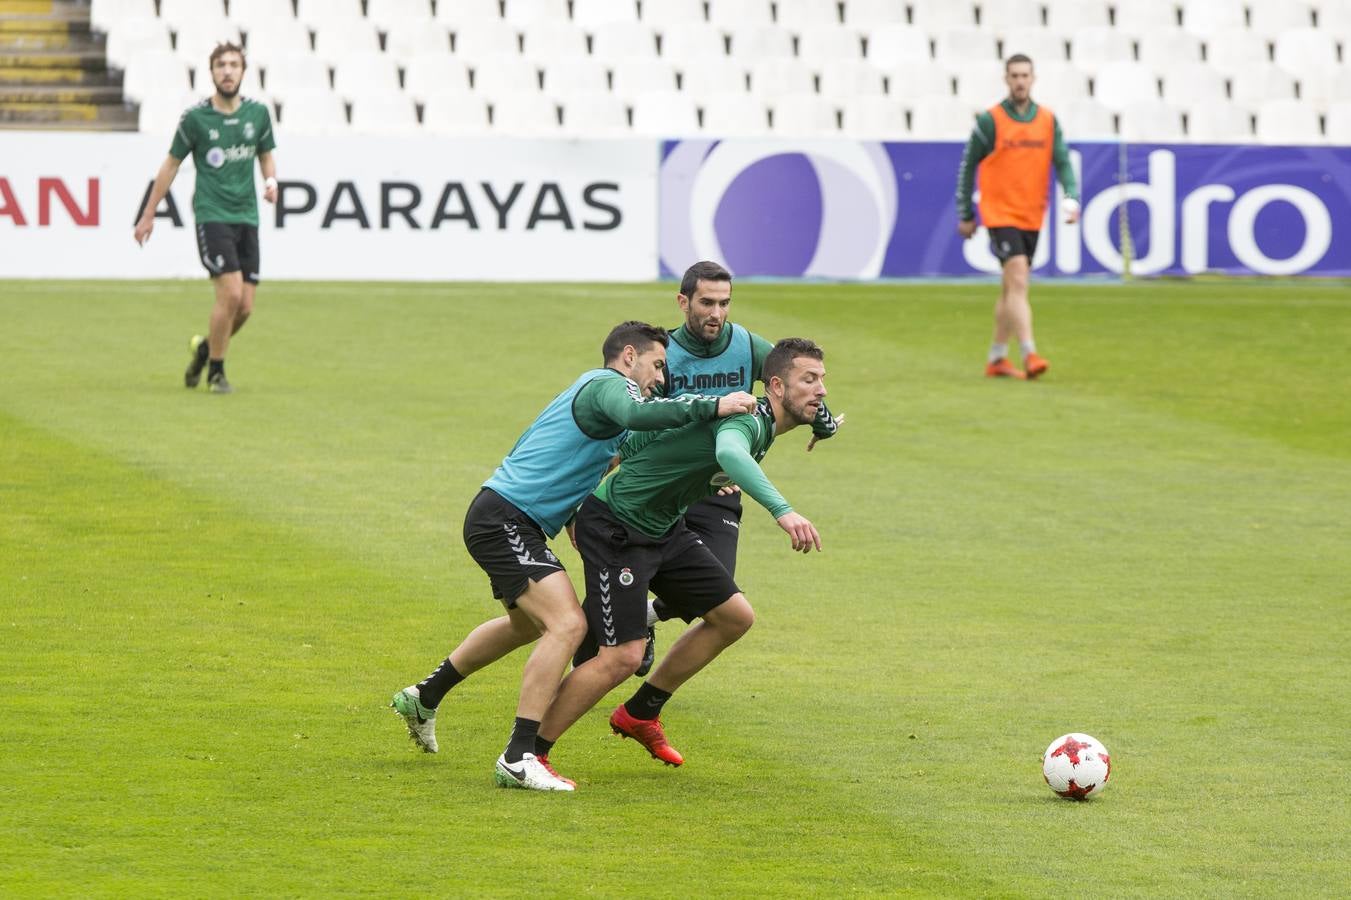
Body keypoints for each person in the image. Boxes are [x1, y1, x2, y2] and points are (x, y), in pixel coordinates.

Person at [390, 321, 756, 792]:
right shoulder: (606, 385)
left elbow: (631, 453)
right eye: (658, 365)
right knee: (567, 626)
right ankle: (520, 756)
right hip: (506, 519)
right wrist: (716, 403)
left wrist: (710, 471)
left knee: (528, 625)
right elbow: (641, 416)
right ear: (629, 355)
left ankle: (425, 696)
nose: (661, 378)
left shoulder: (613, 413)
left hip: (510, 520)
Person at [535, 338, 829, 776]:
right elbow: (729, 452)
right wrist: (782, 511)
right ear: (777, 387)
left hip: (663, 527)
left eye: (823, 380)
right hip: (618, 526)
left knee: (734, 616)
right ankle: (530, 753)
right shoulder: (749, 419)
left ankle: (640, 712)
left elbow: (644, 443)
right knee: (623, 657)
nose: (821, 390)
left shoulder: (763, 423)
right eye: (809, 379)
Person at [572, 260, 842, 676]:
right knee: (626, 575)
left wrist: (822, 422)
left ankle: (642, 621)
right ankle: (587, 656)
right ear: (684, 303)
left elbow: (793, 378)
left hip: (717, 490)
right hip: (662, 483)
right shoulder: (663, 357)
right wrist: (605, 472)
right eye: (707, 302)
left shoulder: (748, 345)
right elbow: (642, 422)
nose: (716, 313)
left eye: (725, 303)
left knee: (713, 591)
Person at [133, 42, 277, 395]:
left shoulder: (258, 114)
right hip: (212, 215)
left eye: (233, 65)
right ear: (211, 72)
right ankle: (216, 372)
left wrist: (271, 181)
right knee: (230, 293)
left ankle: (203, 350)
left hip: (248, 217)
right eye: (220, 65)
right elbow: (171, 164)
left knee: (244, 307)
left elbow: (265, 155)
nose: (227, 71)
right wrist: (148, 213)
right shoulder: (195, 119)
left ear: (243, 71)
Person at [955, 54, 1080, 381]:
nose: (1020, 81)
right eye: (1014, 75)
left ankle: (997, 357)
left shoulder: (1048, 121)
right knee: (1020, 281)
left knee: (1010, 288)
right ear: (1006, 79)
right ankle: (1029, 352)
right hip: (1000, 213)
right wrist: (966, 212)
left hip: (1031, 214)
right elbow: (968, 166)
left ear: (1033, 78)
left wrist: (1071, 196)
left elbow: (1063, 162)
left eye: (1025, 75)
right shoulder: (991, 121)